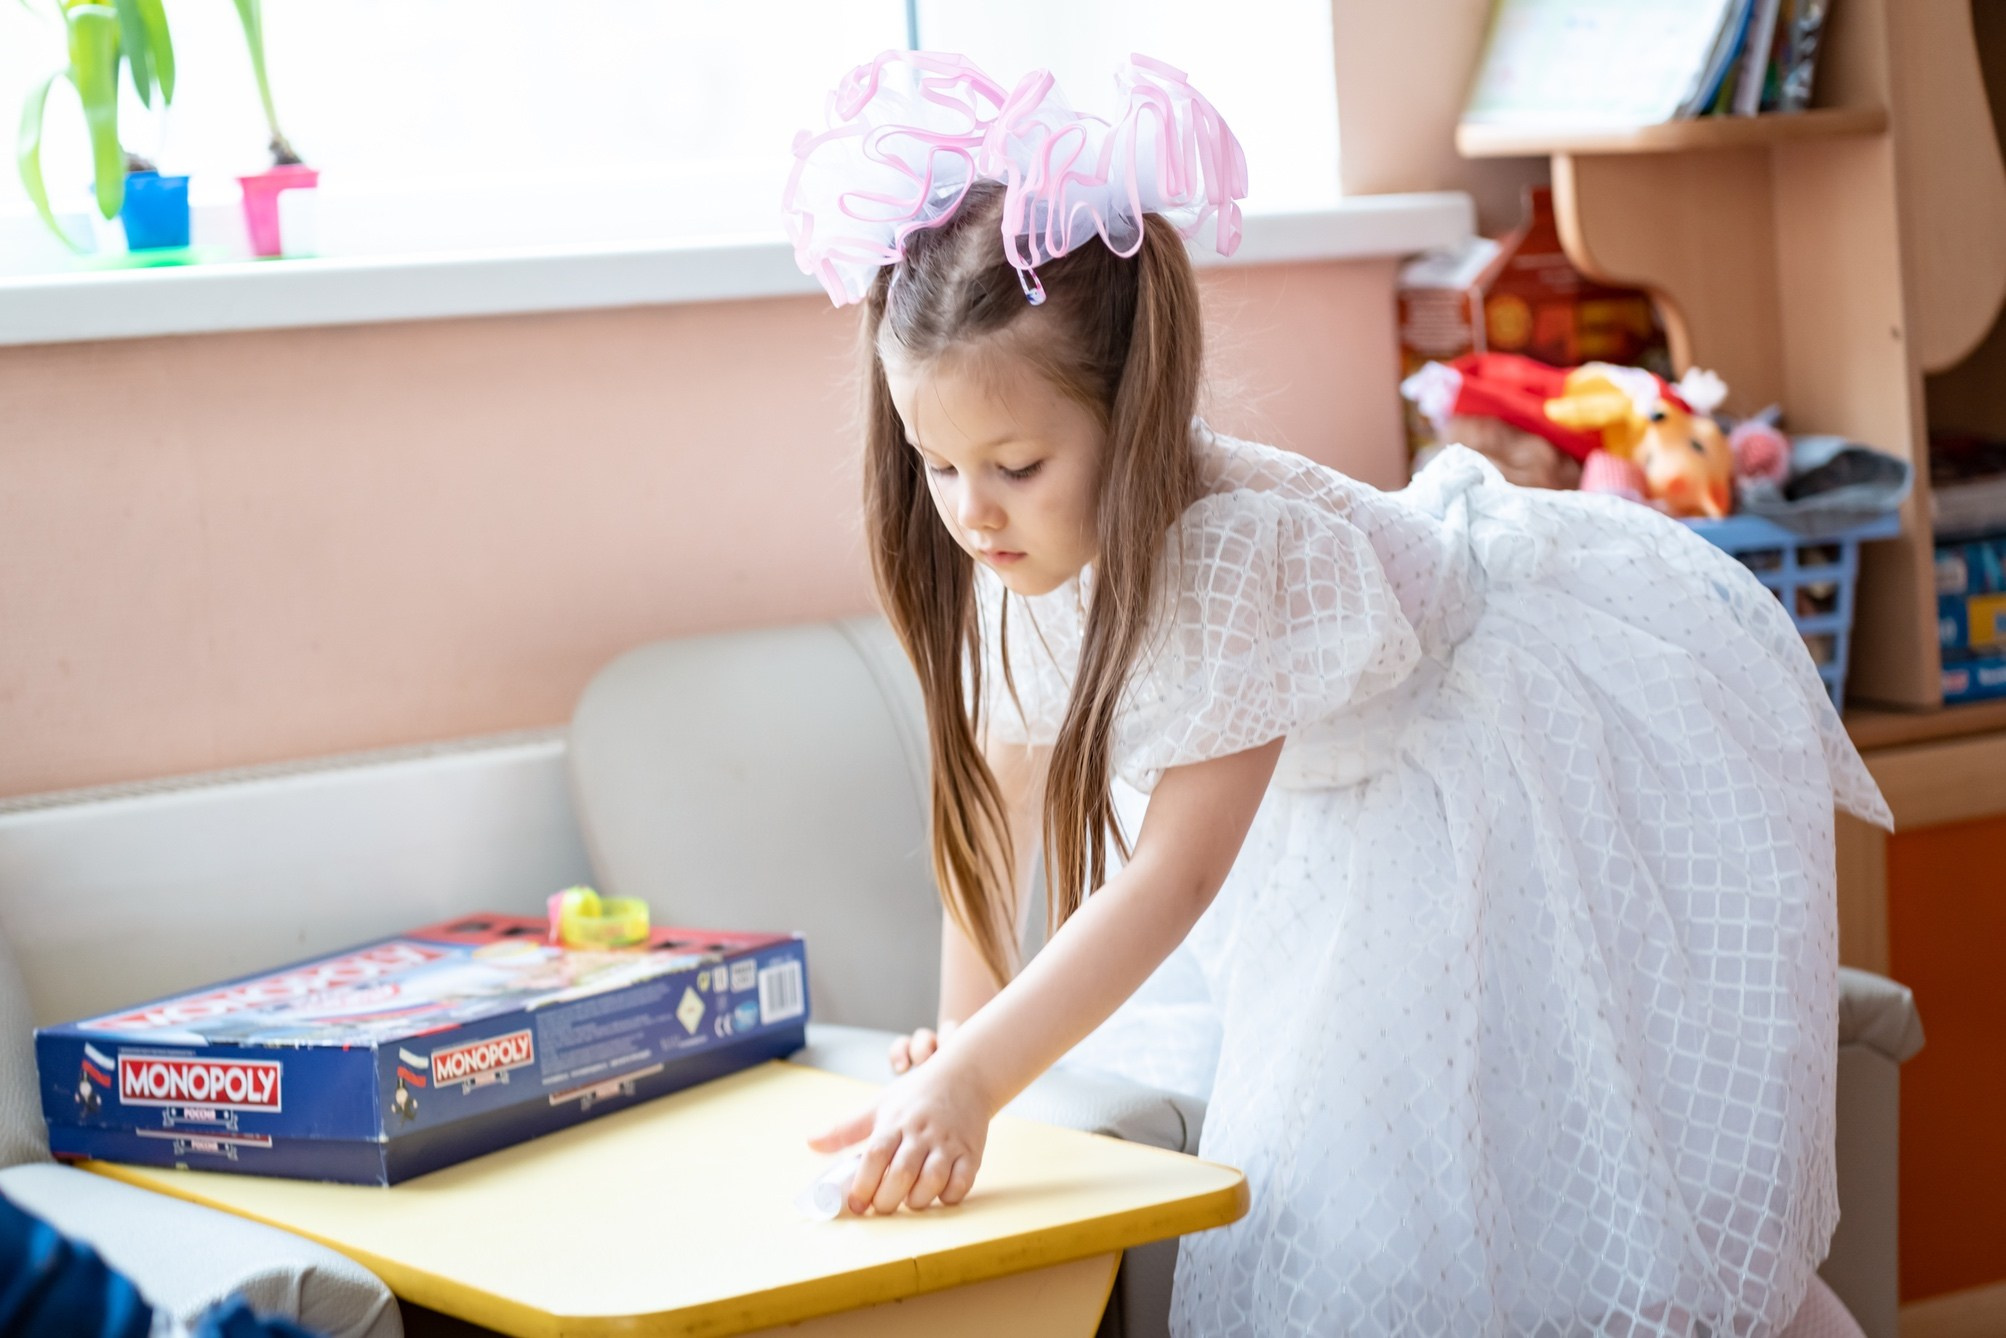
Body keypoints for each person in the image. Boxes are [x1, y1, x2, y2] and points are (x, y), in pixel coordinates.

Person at [784, 49, 1891, 1337]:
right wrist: (953, 1037)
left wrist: (979, 1080)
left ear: (1130, 418)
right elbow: (995, 796)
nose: (971, 512)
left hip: (1491, 756)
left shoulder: (1237, 557)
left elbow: (1173, 880)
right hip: (1332, 803)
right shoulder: (1009, 560)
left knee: (1576, 1192)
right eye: (936, 465)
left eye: (1017, 465)